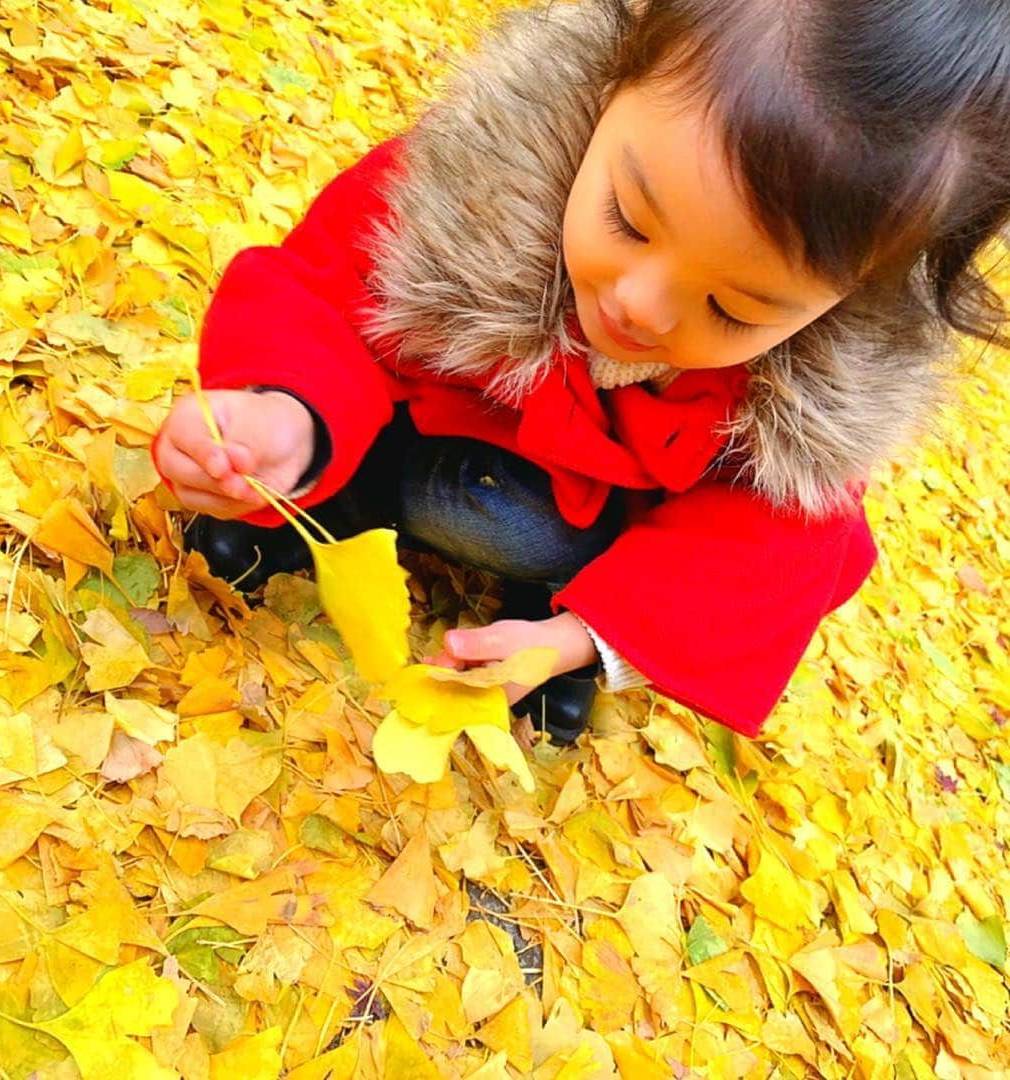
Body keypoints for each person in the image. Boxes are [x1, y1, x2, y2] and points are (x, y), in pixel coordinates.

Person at [151, 0, 1010, 744]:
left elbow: (768, 557)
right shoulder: (468, 190)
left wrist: (583, 638)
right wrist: (285, 414)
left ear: (848, 302)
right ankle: (306, 503)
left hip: (559, 529)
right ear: (609, 86)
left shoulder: (802, 407)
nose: (641, 307)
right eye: (629, 219)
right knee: (344, 438)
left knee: (535, 542)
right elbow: (328, 289)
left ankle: (544, 605)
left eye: (735, 311)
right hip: (396, 438)